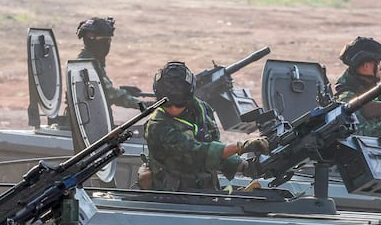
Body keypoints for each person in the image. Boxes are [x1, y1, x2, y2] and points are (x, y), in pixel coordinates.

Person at [142, 61, 268, 191]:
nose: (173, 108)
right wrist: (240, 147)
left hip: (205, 191)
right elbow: (198, 153)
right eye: (167, 103)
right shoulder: (157, 126)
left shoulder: (201, 110)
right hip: (171, 197)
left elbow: (212, 143)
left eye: (179, 103)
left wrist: (241, 165)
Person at [76, 17, 142, 110]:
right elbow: (110, 94)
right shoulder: (86, 65)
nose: (106, 45)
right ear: (90, 40)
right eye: (103, 41)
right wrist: (143, 105)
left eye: (108, 41)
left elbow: (101, 89)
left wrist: (124, 90)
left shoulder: (93, 61)